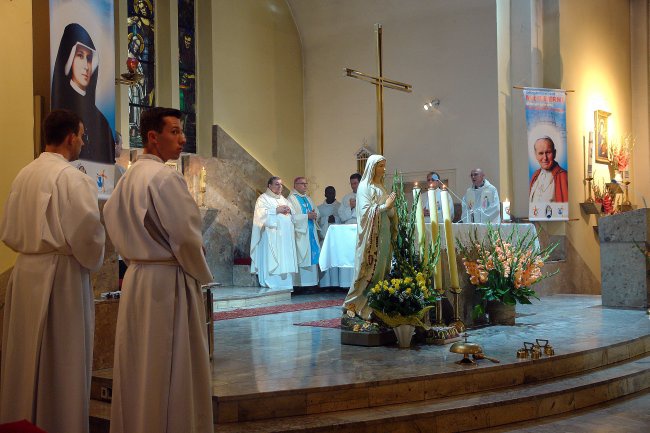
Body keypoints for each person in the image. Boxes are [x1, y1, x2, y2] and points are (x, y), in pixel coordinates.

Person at [103, 107, 213, 433]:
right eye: (175, 132)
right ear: (153, 137)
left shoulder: (128, 177)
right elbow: (185, 236)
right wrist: (200, 268)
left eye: (182, 132)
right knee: (171, 365)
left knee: (139, 364)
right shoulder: (165, 177)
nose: (183, 139)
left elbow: (110, 217)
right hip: (168, 281)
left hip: (137, 278)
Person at [0, 109, 105, 433]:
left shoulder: (24, 174)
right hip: (61, 280)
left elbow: (7, 229)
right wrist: (94, 257)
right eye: (83, 136)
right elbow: (88, 236)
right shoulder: (73, 178)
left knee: (23, 361)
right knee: (62, 364)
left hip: (25, 273)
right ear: (71, 136)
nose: (84, 143)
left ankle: (22, 422)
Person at [51, 23, 115, 164]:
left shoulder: (102, 123)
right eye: (80, 55)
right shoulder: (59, 114)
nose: (86, 66)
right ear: (69, 59)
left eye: (89, 58)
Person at [343, 155, 397, 320]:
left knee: (382, 270)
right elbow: (366, 212)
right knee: (368, 271)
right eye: (381, 166)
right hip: (371, 236)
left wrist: (392, 211)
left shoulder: (381, 186)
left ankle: (374, 306)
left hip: (384, 231)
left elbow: (387, 210)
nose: (384, 169)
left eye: (384, 166)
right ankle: (354, 305)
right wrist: (386, 206)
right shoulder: (365, 187)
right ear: (372, 167)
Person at [250, 177, 299, 290]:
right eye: (277, 184)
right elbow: (260, 215)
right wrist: (276, 210)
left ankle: (285, 284)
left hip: (285, 237)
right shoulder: (263, 199)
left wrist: (289, 210)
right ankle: (272, 282)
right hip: (270, 236)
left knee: (284, 258)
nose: (280, 187)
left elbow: (294, 214)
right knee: (273, 258)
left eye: (281, 185)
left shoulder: (284, 199)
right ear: (269, 186)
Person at [288, 177, 321, 287]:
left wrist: (315, 215)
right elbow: (291, 217)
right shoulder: (291, 199)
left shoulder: (308, 198)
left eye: (306, 184)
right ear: (295, 185)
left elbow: (317, 211)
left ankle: (312, 284)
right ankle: (301, 284)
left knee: (312, 256)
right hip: (300, 233)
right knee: (302, 256)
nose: (305, 186)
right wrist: (306, 216)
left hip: (311, 231)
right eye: (302, 184)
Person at [529, 136, 569, 202]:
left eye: (548, 152)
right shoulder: (535, 175)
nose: (545, 158)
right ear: (536, 155)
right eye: (541, 153)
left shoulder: (563, 176)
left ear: (554, 153)